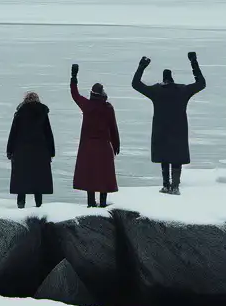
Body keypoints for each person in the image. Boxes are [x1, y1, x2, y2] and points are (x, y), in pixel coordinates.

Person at [132, 51, 206, 195]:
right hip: (179, 130)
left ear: (164, 80)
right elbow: (201, 83)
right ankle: (175, 186)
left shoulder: (156, 91)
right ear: (172, 79)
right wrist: (193, 62)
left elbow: (135, 84)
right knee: (176, 157)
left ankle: (166, 185)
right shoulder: (182, 90)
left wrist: (141, 66)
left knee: (164, 156)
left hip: (161, 130)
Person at [70, 64, 121, 207]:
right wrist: (116, 144)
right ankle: (103, 204)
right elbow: (113, 127)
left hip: (88, 147)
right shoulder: (108, 108)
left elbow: (75, 94)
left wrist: (73, 77)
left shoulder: (87, 105)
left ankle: (91, 204)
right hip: (104, 146)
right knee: (104, 175)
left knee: (90, 175)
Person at [6, 91, 55, 209]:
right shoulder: (43, 113)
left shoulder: (20, 113)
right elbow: (48, 133)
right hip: (40, 150)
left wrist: (9, 150)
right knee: (38, 178)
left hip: (21, 151)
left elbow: (13, 133)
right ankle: (39, 204)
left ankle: (21, 203)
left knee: (21, 178)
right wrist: (51, 151)